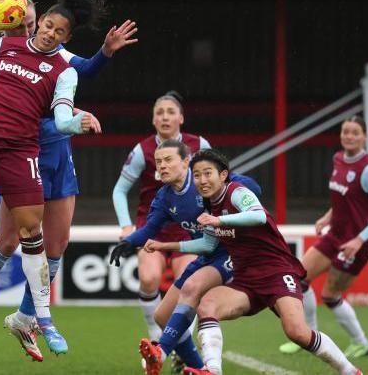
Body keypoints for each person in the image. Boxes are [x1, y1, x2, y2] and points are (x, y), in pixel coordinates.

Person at [0, 0, 137, 361]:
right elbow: (16, 105)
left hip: (59, 156)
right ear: (13, 18)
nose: (35, 24)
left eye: (40, 18)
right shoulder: (9, 49)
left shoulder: (60, 59)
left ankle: (25, 316)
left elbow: (80, 73)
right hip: (23, 152)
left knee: (56, 245)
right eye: (31, 19)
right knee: (8, 240)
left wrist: (104, 52)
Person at [141, 149, 361, 375]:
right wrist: (165, 246)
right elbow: (207, 246)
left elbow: (258, 215)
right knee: (207, 305)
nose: (202, 180)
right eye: (196, 175)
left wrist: (218, 220)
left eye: (208, 173)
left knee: (297, 333)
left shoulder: (237, 191)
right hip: (245, 278)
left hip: (276, 272)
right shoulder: (208, 207)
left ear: (223, 175)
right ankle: (211, 370)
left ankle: (350, 371)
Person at [108, 140, 261, 373]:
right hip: (206, 252)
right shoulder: (165, 197)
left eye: (169, 160)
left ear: (186, 162)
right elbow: (149, 230)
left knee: (191, 289)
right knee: (162, 316)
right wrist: (128, 242)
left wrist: (236, 185)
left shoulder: (205, 182)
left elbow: (253, 190)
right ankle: (199, 367)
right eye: (159, 162)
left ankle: (161, 351)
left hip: (231, 252)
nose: (163, 166)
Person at [279, 116, 368, 357]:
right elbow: (345, 200)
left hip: (357, 243)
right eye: (345, 131)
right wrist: (327, 217)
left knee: (330, 295)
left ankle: (361, 342)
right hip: (335, 235)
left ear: (365, 137)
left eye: (355, 132)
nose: (349, 136)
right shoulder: (338, 158)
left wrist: (360, 240)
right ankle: (308, 337)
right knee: (299, 278)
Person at [112, 91, 209, 343]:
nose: (165, 117)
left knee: (188, 285)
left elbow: (218, 181)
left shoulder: (199, 146)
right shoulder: (142, 150)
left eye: (170, 112)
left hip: (188, 228)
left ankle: (183, 342)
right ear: (153, 120)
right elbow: (119, 190)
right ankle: (156, 338)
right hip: (152, 226)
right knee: (149, 278)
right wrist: (126, 226)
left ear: (181, 118)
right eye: (159, 113)